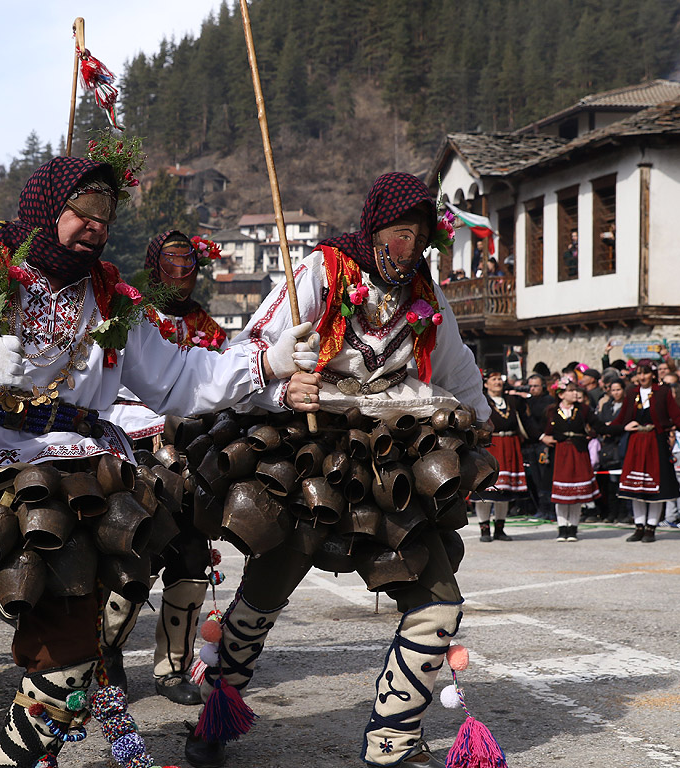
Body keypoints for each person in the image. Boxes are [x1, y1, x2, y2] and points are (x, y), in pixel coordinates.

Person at [0, 156, 316, 768]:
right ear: (47, 208)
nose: (95, 226)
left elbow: (178, 376)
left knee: (69, 662)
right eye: (82, 211)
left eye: (106, 215)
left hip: (68, 475)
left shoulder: (112, 295)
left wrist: (264, 363)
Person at [184, 172, 489, 768]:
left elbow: (458, 369)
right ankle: (216, 716)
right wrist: (282, 385)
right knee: (264, 595)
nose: (407, 249)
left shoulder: (430, 297)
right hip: (314, 455)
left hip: (401, 460)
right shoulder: (321, 271)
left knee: (438, 603)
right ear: (374, 229)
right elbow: (250, 354)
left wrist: (477, 422)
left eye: (417, 238)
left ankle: (393, 744)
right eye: (398, 235)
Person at [100, 230, 229, 706]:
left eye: (188, 267)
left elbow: (219, 388)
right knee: (141, 553)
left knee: (192, 557)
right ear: (155, 268)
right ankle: (105, 651)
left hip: (190, 454)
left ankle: (173, 668)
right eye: (171, 267)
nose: (180, 277)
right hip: (131, 447)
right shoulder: (131, 315)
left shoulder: (209, 329)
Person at [608, 360, 680, 542]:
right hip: (636, 442)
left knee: (656, 487)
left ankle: (651, 527)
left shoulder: (662, 392)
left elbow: (677, 418)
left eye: (645, 373)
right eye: (639, 373)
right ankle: (639, 526)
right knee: (635, 487)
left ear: (653, 374)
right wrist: (602, 429)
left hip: (656, 441)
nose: (642, 377)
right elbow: (621, 418)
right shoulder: (631, 393)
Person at [539, 380, 614, 542]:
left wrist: (620, 427)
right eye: (571, 391)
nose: (575, 393)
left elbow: (599, 426)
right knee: (561, 494)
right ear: (561, 394)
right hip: (560, 453)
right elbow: (541, 427)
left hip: (578, 452)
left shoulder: (583, 410)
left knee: (576, 493)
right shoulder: (552, 411)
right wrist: (542, 437)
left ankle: (572, 528)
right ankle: (562, 528)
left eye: (576, 391)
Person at [471, 370, 526, 541]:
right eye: (493, 379)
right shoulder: (481, 401)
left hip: (509, 445)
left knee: (503, 492)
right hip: (489, 446)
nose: (498, 382)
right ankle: (484, 529)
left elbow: (525, 419)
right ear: (486, 384)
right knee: (485, 492)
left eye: (499, 379)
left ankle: (500, 529)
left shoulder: (511, 400)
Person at [593, 379, 628, 524]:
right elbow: (600, 424)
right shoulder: (607, 406)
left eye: (618, 389)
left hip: (621, 444)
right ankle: (611, 513)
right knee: (610, 483)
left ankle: (623, 513)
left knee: (622, 482)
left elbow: (624, 424)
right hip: (608, 447)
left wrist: (612, 427)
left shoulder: (627, 406)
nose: (615, 393)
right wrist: (606, 427)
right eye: (613, 390)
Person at [522, 374, 555, 521]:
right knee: (536, 479)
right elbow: (527, 423)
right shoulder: (526, 402)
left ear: (543, 386)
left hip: (546, 444)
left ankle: (551, 509)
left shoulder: (550, 402)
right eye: (531, 386)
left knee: (547, 478)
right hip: (533, 443)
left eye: (536, 386)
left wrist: (544, 436)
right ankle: (541, 508)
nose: (533, 389)